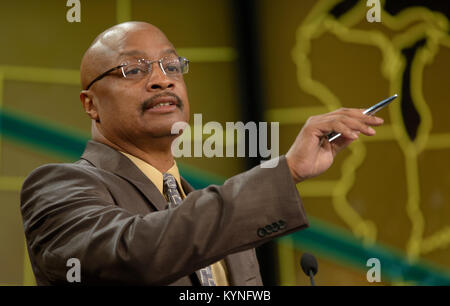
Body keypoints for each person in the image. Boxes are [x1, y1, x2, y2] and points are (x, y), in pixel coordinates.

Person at [20, 21, 384, 286]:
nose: (163, 79)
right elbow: (134, 255)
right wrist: (285, 171)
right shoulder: (59, 187)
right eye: (133, 69)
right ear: (91, 104)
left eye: (172, 65)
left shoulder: (218, 219)